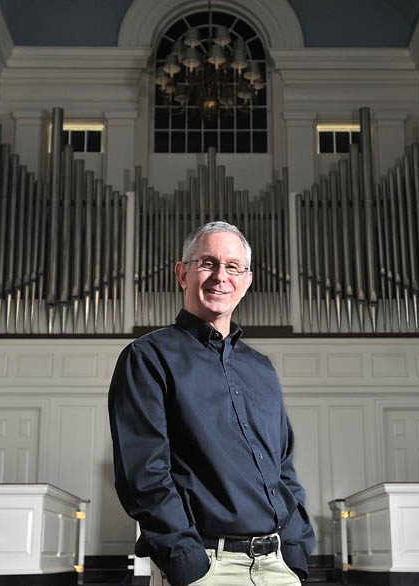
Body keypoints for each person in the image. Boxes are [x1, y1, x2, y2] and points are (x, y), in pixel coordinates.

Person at [109, 221, 315, 586]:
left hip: (278, 565)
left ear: (247, 281)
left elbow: (284, 470)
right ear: (182, 274)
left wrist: (295, 551)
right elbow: (144, 476)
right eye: (207, 263)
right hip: (207, 568)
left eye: (233, 267)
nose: (221, 276)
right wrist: (189, 566)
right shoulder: (147, 357)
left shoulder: (261, 369)